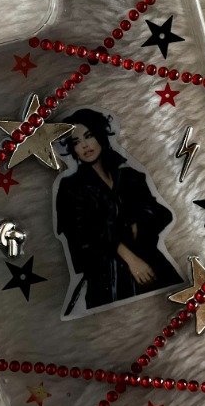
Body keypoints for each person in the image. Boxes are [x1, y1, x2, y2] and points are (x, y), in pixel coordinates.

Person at [54, 108, 183, 316]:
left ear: (100, 135)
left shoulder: (130, 176)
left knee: (173, 311)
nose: (84, 145)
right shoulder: (70, 187)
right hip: (108, 279)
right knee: (121, 324)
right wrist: (129, 256)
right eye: (76, 141)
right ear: (72, 149)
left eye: (89, 136)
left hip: (153, 265)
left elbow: (161, 214)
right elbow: (81, 237)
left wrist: (134, 224)